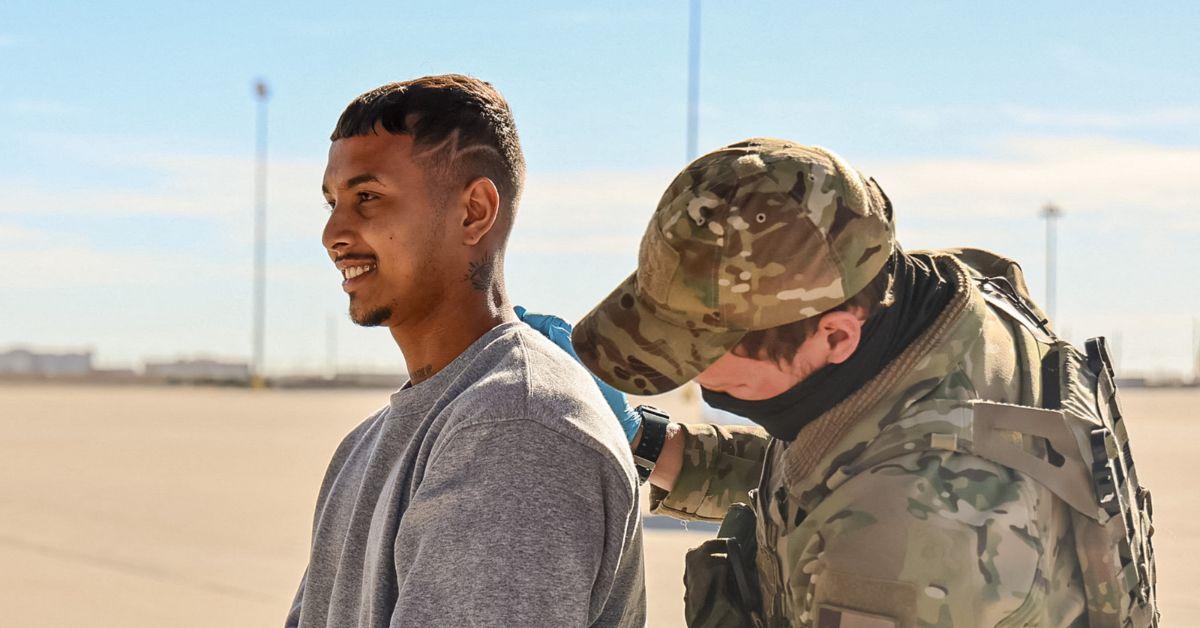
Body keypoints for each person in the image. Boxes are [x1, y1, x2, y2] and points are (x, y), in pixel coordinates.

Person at [522, 138, 1155, 627]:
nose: (682, 371)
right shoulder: (931, 308)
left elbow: (881, 495)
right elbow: (836, 463)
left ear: (834, 337)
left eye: (698, 351)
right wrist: (646, 443)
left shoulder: (898, 547)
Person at [286, 75, 645, 628]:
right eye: (333, 202)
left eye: (368, 198)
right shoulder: (365, 445)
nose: (333, 231)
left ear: (474, 211)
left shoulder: (515, 428)